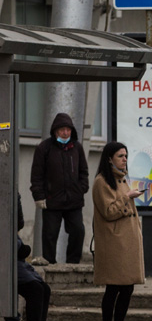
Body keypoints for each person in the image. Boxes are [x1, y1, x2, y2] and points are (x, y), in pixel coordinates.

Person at [92, 142, 145, 321]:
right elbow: (109, 211)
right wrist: (128, 196)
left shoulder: (122, 178)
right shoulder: (101, 182)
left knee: (127, 287)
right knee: (113, 287)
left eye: (126, 155)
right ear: (109, 158)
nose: (124, 159)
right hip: (114, 243)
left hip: (127, 242)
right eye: (120, 156)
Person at [30, 112, 89, 263]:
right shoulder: (44, 148)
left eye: (68, 129)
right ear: (55, 130)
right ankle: (49, 263)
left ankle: (73, 263)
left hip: (74, 201)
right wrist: (39, 196)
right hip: (51, 201)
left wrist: (81, 188)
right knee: (50, 234)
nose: (65, 132)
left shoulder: (77, 148)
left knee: (78, 231)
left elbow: (83, 171)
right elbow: (36, 175)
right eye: (62, 129)